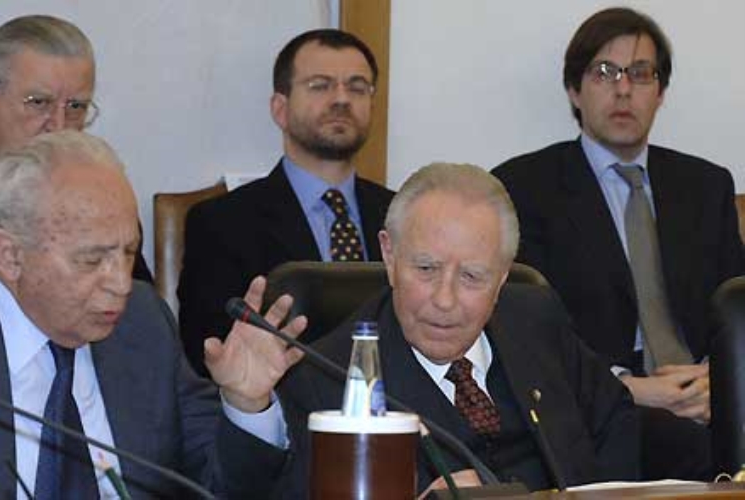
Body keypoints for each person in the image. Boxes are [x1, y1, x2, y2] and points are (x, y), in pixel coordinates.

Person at [214, 163, 639, 497]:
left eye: (472, 276)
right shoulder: (328, 378)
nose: (445, 299)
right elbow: (264, 492)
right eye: (426, 268)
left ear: (502, 277)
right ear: (389, 255)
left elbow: (615, 420)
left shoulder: (536, 318)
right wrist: (249, 407)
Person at [492, 7, 745, 479]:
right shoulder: (525, 188)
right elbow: (529, 328)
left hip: (707, 391)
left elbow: (735, 306)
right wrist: (630, 388)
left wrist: (720, 379)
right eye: (605, 72)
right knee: (684, 445)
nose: (624, 89)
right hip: (601, 401)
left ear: (660, 92)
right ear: (575, 89)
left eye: (641, 73)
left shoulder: (706, 185)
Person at [0, 130, 304, 499]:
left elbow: (219, 484)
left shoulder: (142, 322)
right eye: (92, 260)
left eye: (129, 252)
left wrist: (246, 405)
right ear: (10, 257)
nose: (121, 284)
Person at [178, 28, 394, 376]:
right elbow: (207, 349)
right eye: (320, 85)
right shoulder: (221, 223)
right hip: (280, 401)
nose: (341, 99)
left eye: (357, 87)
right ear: (280, 109)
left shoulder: (401, 214)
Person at [0, 14, 152, 282]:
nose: (59, 126)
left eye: (76, 106)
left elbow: (133, 303)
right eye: (38, 102)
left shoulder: (103, 204)